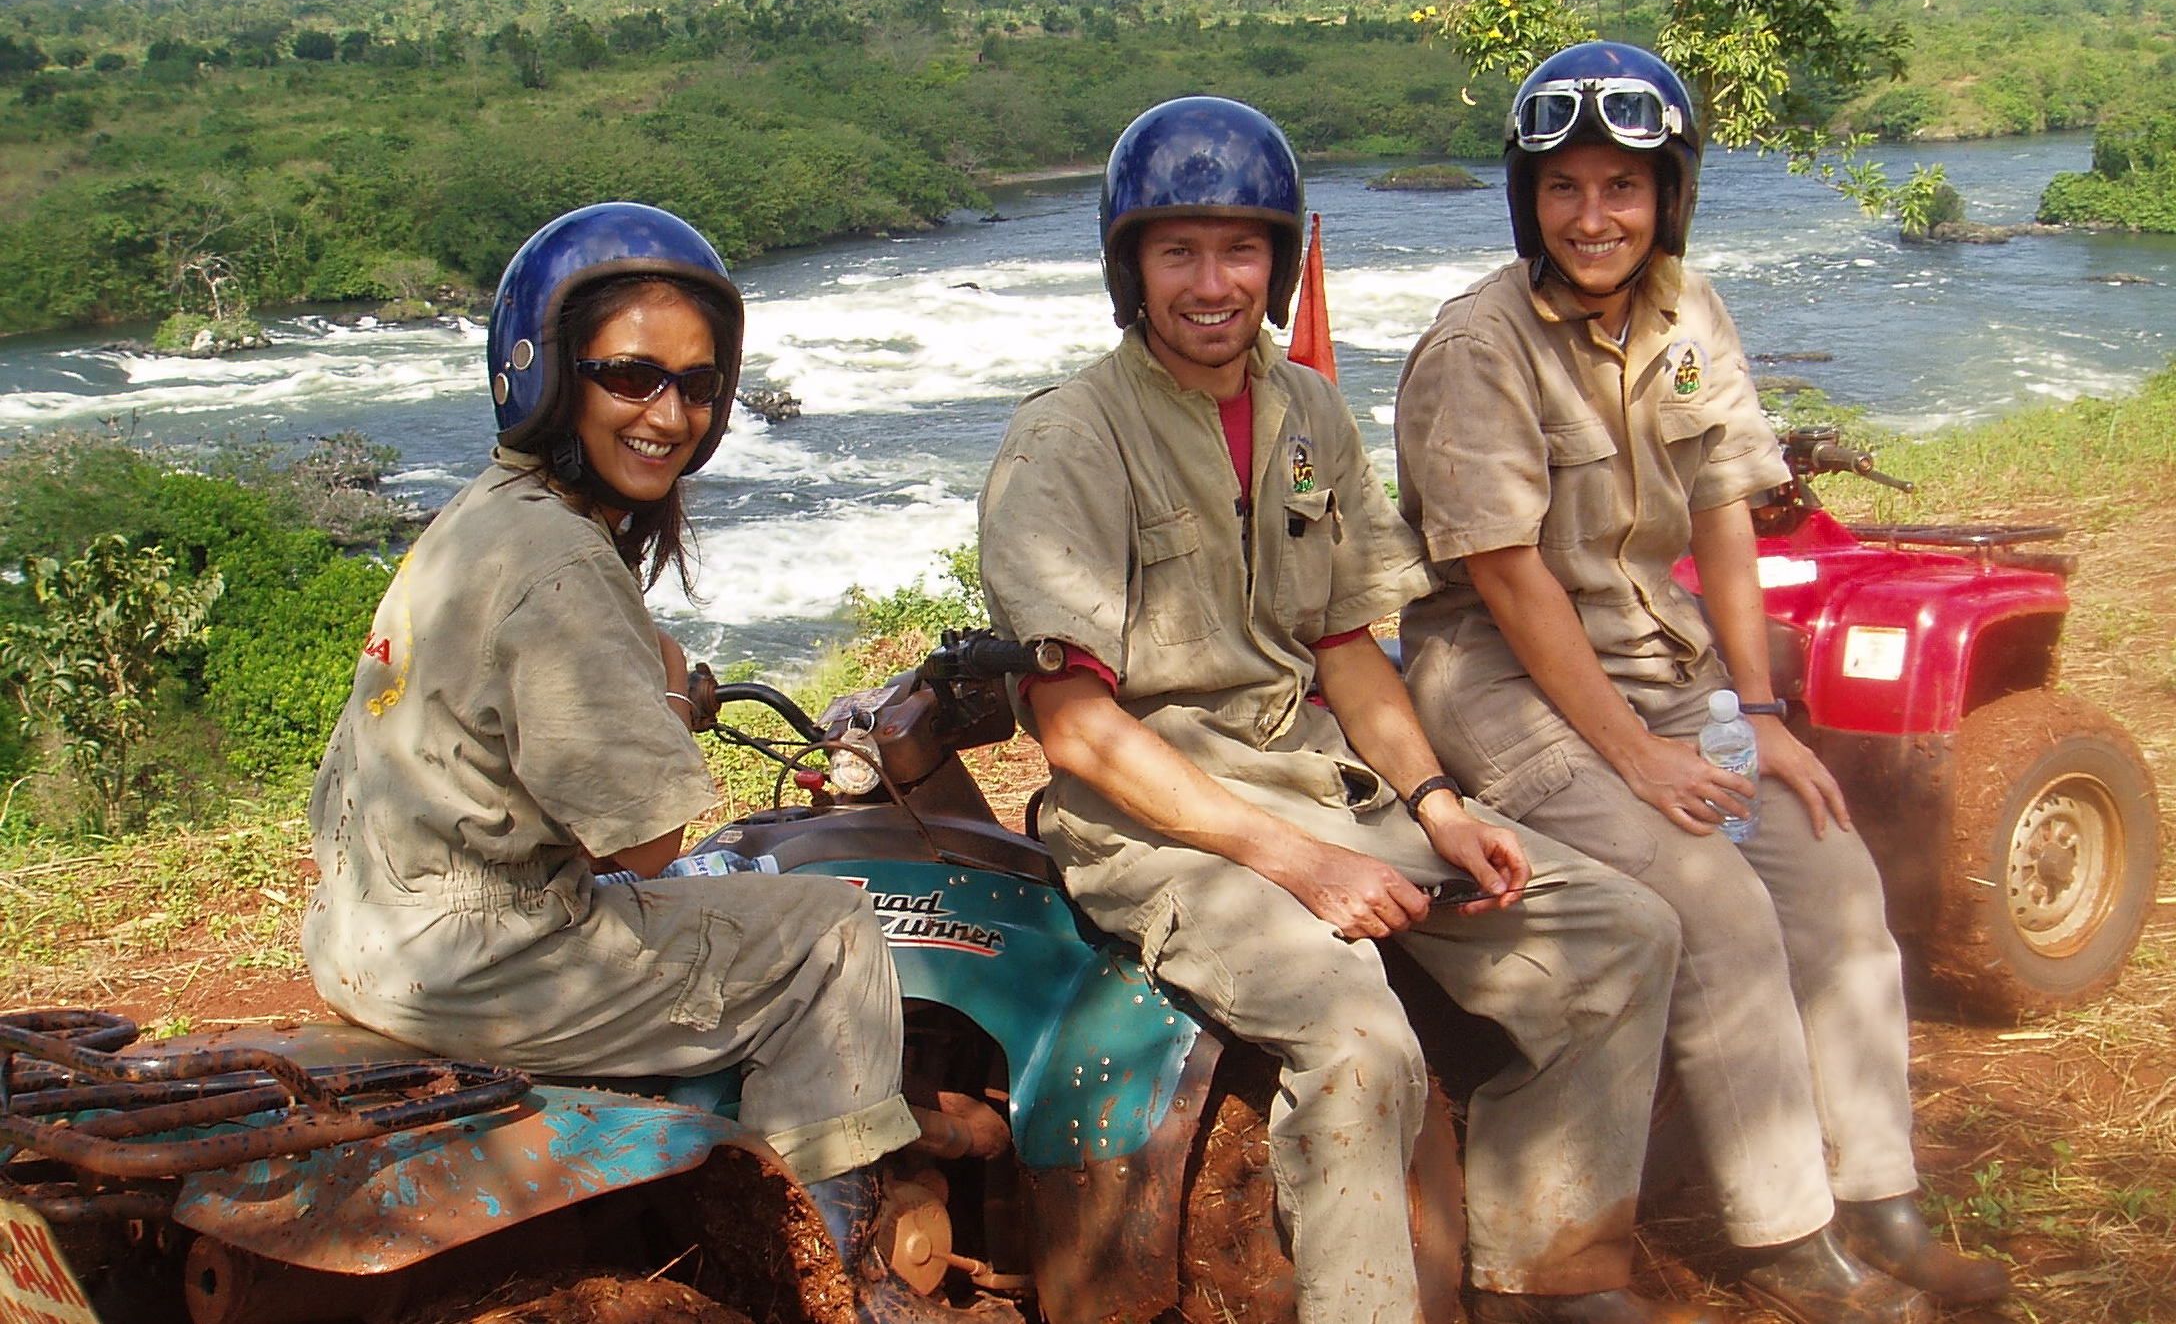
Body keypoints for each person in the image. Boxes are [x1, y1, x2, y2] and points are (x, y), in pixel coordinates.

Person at [980, 96, 1711, 1324]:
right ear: (1130, 266)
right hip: (1160, 823)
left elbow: (1347, 651)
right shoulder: (1066, 442)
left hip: (1321, 780)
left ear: (1276, 261)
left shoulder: (1307, 412)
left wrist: (1435, 802)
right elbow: (1076, 732)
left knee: (1620, 932)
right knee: (1358, 1040)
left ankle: (1544, 1270)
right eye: (1178, 252)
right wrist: (1300, 864)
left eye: (1240, 250)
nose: (1212, 283)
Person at [1392, 42, 2011, 1324]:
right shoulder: (1477, 347)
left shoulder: (1687, 314)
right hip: (1508, 686)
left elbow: (1727, 512)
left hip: (1657, 663)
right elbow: (1509, 580)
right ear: (1530, 203)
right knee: (1715, 901)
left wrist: (1761, 713)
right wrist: (1639, 756)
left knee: (1832, 870)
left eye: (1621, 186)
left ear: (1666, 194)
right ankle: (1787, 1236)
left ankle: (1879, 1195)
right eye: (1563, 189)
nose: (1593, 216)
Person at [302, 202, 981, 1324]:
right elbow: (647, 841)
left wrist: (656, 672)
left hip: (368, 928)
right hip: (482, 954)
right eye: (629, 376)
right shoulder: (564, 569)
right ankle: (846, 1264)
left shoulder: (491, 516)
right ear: (549, 374)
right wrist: (669, 697)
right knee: (829, 926)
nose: (668, 413)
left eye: (697, 385)